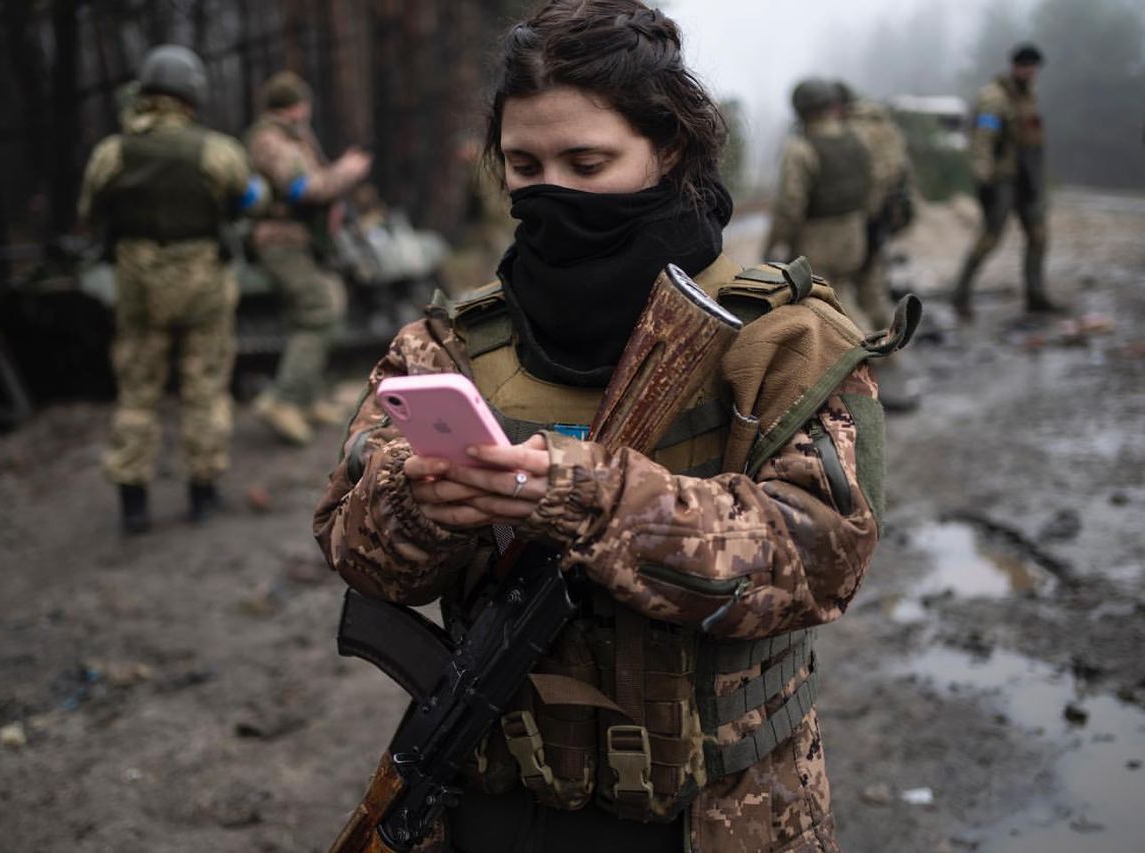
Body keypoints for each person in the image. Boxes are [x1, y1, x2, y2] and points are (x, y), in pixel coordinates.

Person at [315, 2, 903, 850]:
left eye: (587, 163)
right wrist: (418, 504)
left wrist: (587, 496)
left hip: (720, 816)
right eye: (525, 165)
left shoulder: (780, 339)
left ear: (668, 149)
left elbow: (821, 559)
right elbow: (351, 540)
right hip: (493, 805)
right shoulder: (453, 344)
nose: (552, 189)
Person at [78, 45, 267, 533]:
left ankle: (133, 503)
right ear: (192, 94)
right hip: (203, 285)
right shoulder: (216, 151)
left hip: (138, 289)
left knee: (137, 393)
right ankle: (202, 494)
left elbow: (88, 214)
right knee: (204, 388)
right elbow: (249, 199)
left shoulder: (112, 153)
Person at [245, 71, 373, 445]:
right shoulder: (270, 140)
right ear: (296, 106)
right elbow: (301, 187)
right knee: (318, 309)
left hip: (304, 242)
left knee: (329, 303)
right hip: (281, 241)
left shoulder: (293, 137)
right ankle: (282, 400)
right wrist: (345, 173)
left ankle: (306, 397)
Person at [952, 43, 1056, 321]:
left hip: (1027, 178)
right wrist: (984, 178)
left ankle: (1035, 295)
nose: (1030, 72)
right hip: (1002, 179)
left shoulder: (1029, 94)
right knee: (990, 238)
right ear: (1014, 67)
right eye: (1025, 66)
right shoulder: (994, 98)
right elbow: (983, 141)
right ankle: (960, 294)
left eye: (1033, 67)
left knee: (1039, 236)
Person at [838, 81, 920, 412]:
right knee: (873, 289)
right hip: (886, 216)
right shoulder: (886, 126)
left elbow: (859, 180)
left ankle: (875, 362)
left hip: (862, 218)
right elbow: (903, 175)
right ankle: (892, 354)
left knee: (849, 290)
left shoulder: (853, 131)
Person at [763, 79, 872, 324]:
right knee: (842, 296)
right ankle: (872, 342)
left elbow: (789, 205)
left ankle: (864, 345)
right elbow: (870, 187)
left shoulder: (800, 148)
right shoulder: (857, 140)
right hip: (854, 236)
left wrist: (775, 243)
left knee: (823, 310)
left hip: (817, 242)